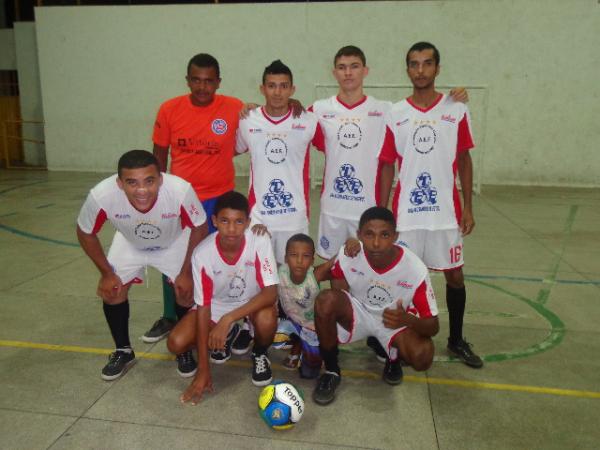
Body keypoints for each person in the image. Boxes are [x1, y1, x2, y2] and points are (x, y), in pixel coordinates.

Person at [310, 45, 468, 261]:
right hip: (332, 208)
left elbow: (419, 108)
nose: (348, 73)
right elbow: (288, 119)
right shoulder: (318, 110)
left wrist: (456, 96)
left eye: (354, 67)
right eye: (342, 67)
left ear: (365, 71)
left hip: (368, 209)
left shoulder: (387, 110)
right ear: (334, 72)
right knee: (334, 267)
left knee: (368, 268)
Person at [383, 41, 483, 368]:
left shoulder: (456, 109)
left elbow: (464, 160)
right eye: (414, 64)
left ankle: (455, 340)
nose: (421, 70)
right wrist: (383, 213)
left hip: (445, 214)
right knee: (400, 279)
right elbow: (386, 165)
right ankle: (392, 344)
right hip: (406, 217)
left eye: (427, 63)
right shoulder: (395, 113)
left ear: (437, 68)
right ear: (407, 69)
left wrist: (468, 207)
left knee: (455, 277)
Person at [76, 150, 208, 381]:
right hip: (130, 243)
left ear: (161, 178)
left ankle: (184, 350)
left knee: (185, 292)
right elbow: (85, 232)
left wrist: (186, 272)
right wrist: (106, 273)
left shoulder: (180, 190)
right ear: (119, 183)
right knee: (112, 291)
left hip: (173, 241)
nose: (142, 190)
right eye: (132, 182)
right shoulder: (101, 195)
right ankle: (123, 351)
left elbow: (199, 226)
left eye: (149, 181)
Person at [144, 53, 244, 358]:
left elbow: (268, 113)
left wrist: (290, 105)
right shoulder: (170, 109)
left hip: (219, 198)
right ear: (187, 80)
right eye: (196, 80)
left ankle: (221, 313)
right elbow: (159, 154)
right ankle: (171, 315)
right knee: (172, 258)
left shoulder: (235, 108)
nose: (202, 87)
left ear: (218, 82)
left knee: (218, 258)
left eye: (209, 81)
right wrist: (156, 195)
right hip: (180, 199)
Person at [312, 207, 439, 405]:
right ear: (359, 235)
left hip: (394, 320)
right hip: (359, 314)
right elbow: (314, 278)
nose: (377, 243)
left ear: (396, 236)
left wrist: (408, 319)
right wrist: (337, 256)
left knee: (422, 357)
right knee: (325, 300)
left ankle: (392, 356)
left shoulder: (415, 269)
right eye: (369, 234)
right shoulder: (350, 254)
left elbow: (433, 326)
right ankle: (331, 370)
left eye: (385, 235)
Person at [167, 191, 279, 405]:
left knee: (267, 319)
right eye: (225, 221)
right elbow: (203, 308)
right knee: (175, 343)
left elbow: (270, 293)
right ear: (214, 221)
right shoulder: (202, 254)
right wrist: (203, 370)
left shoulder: (259, 240)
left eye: (239, 222)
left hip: (252, 302)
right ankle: (230, 334)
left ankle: (259, 353)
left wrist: (227, 319)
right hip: (217, 306)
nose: (231, 228)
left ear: (248, 222)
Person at [235, 60, 317, 265]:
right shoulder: (247, 120)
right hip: (259, 219)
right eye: (271, 86)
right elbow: (229, 151)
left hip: (295, 218)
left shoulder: (308, 121)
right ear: (262, 89)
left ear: (292, 89)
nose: (277, 92)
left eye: (283, 86)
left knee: (292, 281)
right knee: (260, 279)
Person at [277, 233, 336, 379]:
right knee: (273, 334)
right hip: (292, 320)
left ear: (312, 260)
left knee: (309, 374)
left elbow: (336, 261)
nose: (299, 261)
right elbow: (259, 254)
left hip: (313, 326)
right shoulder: (280, 271)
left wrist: (351, 244)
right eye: (293, 255)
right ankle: (297, 347)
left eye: (305, 256)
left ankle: (316, 351)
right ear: (285, 258)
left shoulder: (315, 274)